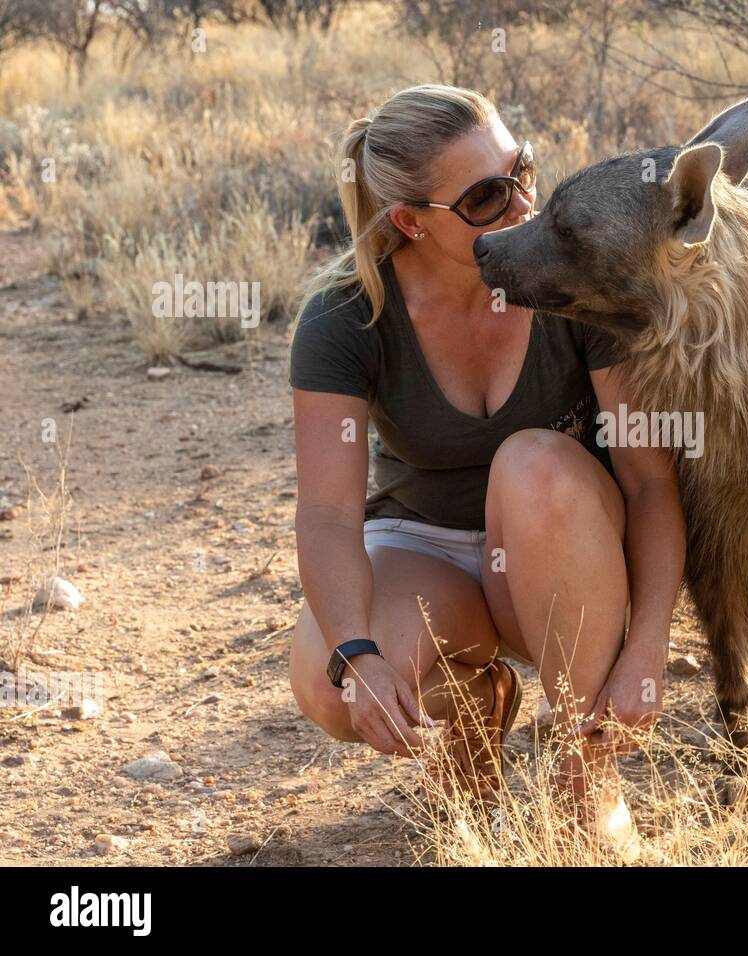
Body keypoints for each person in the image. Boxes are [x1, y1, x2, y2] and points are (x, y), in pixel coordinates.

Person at [285, 84, 685, 852]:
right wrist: (357, 656)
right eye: (486, 197)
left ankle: (584, 779)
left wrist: (650, 645)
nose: (523, 206)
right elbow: (330, 515)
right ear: (410, 222)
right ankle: (474, 712)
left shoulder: (580, 277)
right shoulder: (345, 316)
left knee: (533, 462)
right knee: (323, 679)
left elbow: (649, 480)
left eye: (523, 171)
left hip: (566, 549)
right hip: (426, 552)